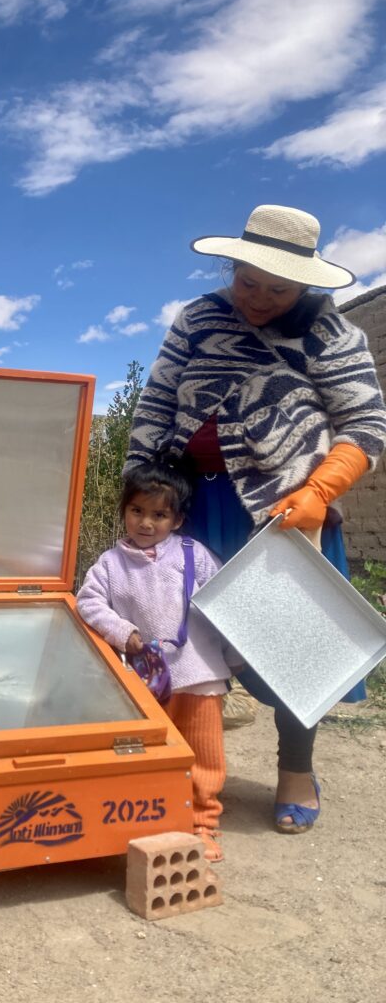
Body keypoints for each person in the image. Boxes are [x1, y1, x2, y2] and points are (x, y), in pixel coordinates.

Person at [124, 203, 386, 834]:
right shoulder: (198, 318)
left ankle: (296, 771)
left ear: (303, 286)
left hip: (284, 513)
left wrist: (322, 488)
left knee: (294, 645)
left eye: (278, 289)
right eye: (249, 282)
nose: (259, 298)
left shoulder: (329, 332)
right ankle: (184, 769)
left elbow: (366, 424)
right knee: (179, 635)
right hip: (190, 504)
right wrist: (138, 484)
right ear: (232, 268)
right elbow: (157, 402)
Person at [77, 460, 235, 861]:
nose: (146, 523)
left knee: (203, 754)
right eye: (137, 511)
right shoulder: (110, 564)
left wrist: (234, 659)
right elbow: (88, 602)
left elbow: (225, 601)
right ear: (124, 511)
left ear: (177, 520)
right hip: (145, 681)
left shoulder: (193, 555)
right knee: (149, 752)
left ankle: (201, 823)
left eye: (159, 515)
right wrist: (122, 632)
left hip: (199, 674)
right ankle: (149, 819)